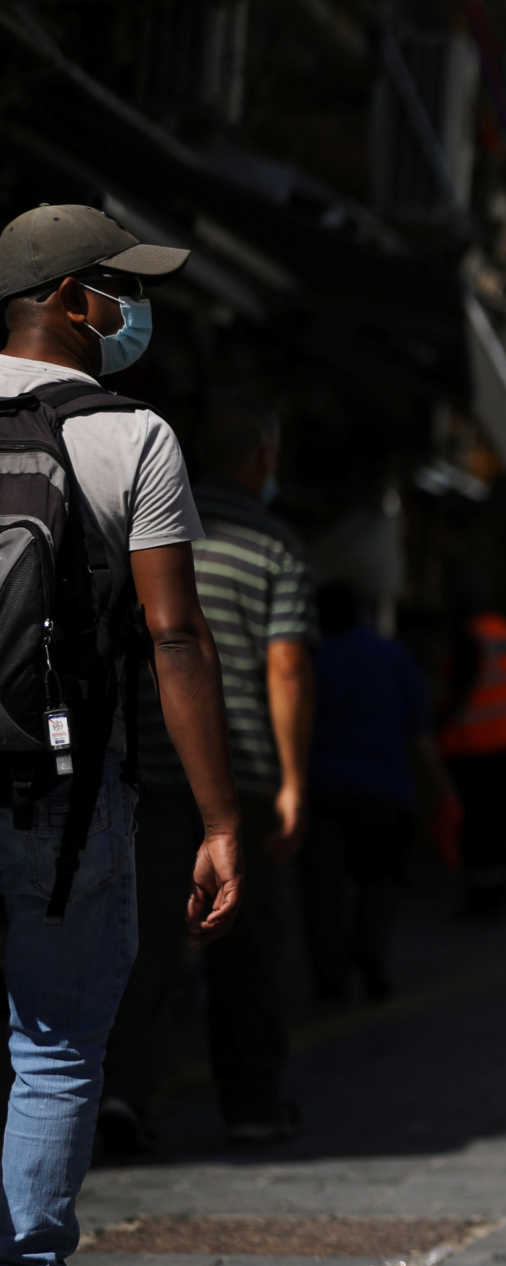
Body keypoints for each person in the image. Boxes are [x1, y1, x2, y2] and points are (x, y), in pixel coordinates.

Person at [0, 206, 240, 1266]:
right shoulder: (131, 436)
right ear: (70, 297)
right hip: (65, 797)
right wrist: (221, 816)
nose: (134, 312)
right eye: (120, 288)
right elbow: (173, 636)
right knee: (49, 1050)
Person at [103, 398, 311, 1151]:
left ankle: (123, 1093)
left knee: (145, 938)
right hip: (244, 771)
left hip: (153, 766)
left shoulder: (149, 529)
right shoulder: (275, 545)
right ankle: (252, 1103)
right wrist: (292, 778)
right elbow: (285, 668)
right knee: (246, 942)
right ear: (261, 455)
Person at [302, 581, 442, 1003]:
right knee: (379, 883)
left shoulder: (311, 660)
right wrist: (440, 788)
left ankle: (332, 980)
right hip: (386, 793)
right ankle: (373, 959)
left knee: (326, 890)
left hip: (324, 792)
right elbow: (419, 732)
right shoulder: (391, 655)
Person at [437, 592, 506, 917]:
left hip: (474, 745)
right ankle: (496, 891)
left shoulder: (471, 637)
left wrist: (439, 726)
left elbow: (460, 690)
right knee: (498, 819)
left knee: (476, 825)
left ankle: (480, 898)